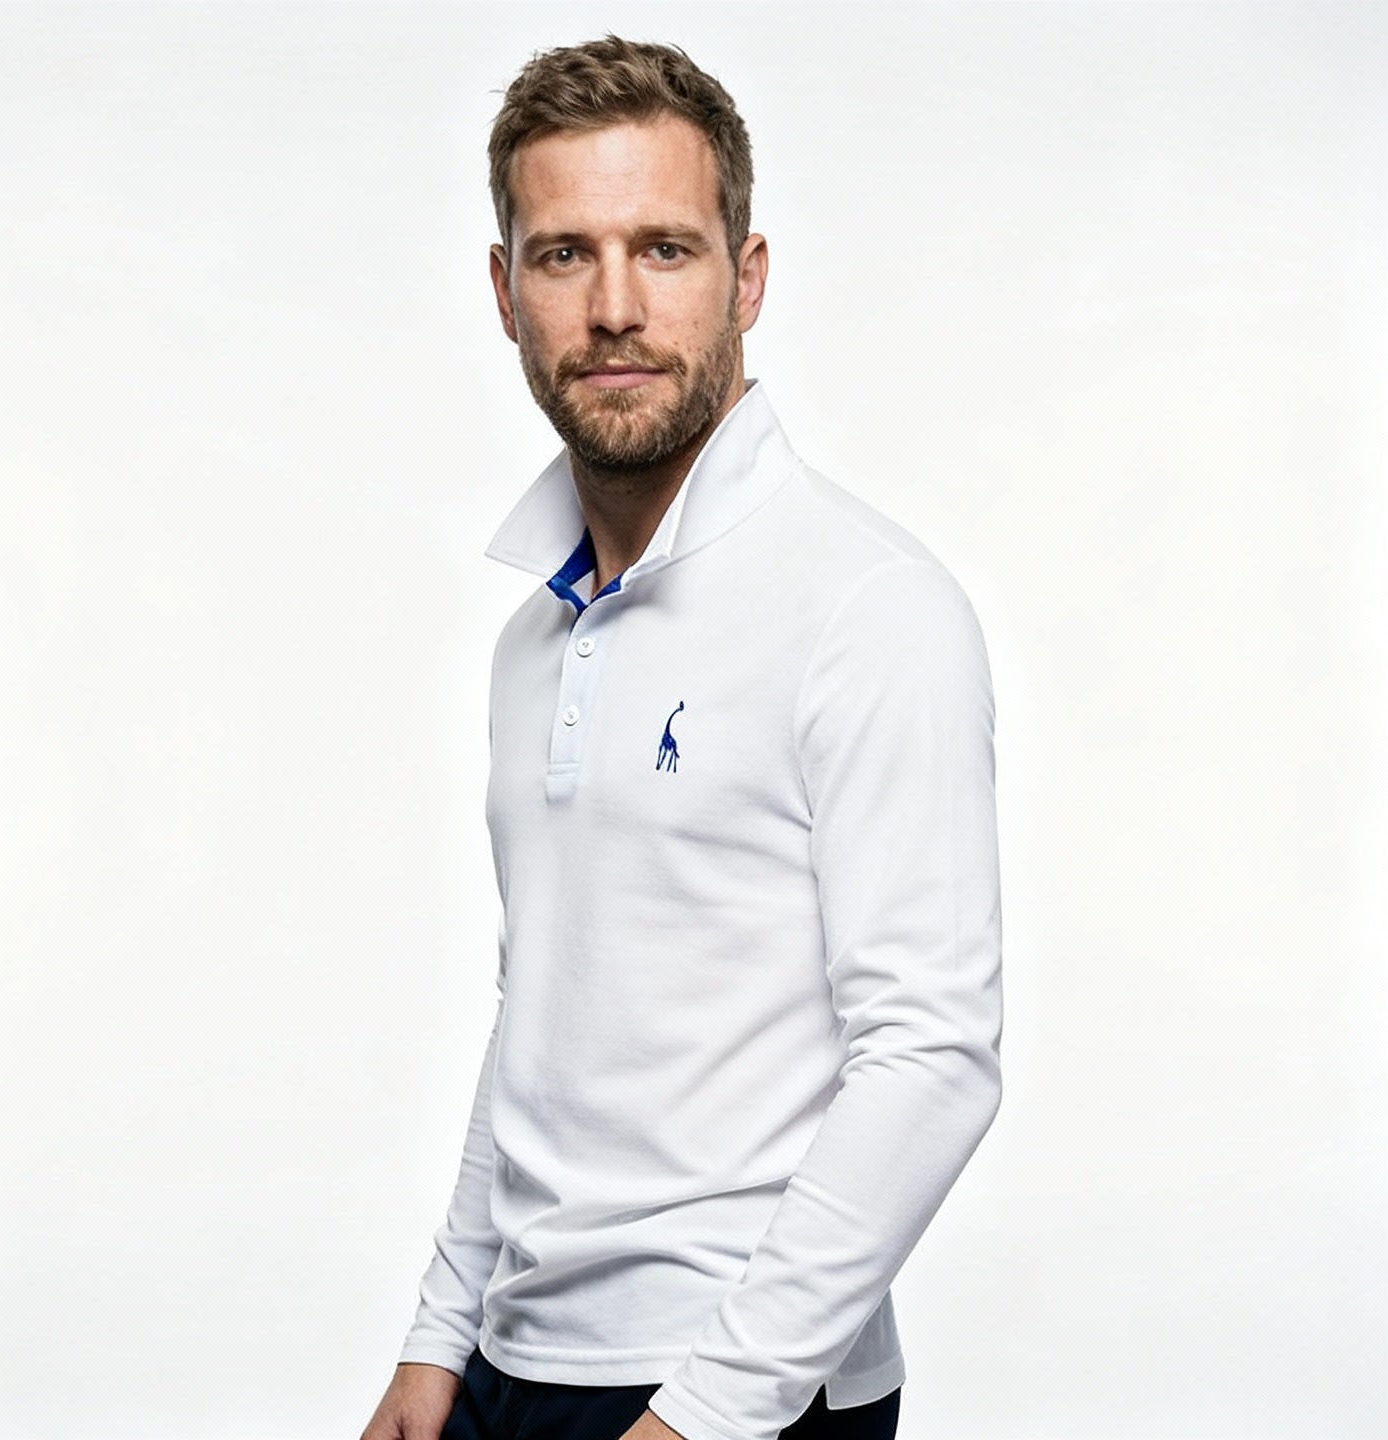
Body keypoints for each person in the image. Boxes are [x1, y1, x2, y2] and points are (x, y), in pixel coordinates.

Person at [361, 35, 1002, 1440]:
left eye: (664, 249)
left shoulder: (868, 605)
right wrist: (438, 1338)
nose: (613, 308)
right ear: (504, 292)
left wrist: (712, 1410)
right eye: (563, 255)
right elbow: (542, 1014)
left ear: (746, 277)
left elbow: (932, 1056)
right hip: (510, 1367)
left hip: (735, 1390)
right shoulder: (535, 639)